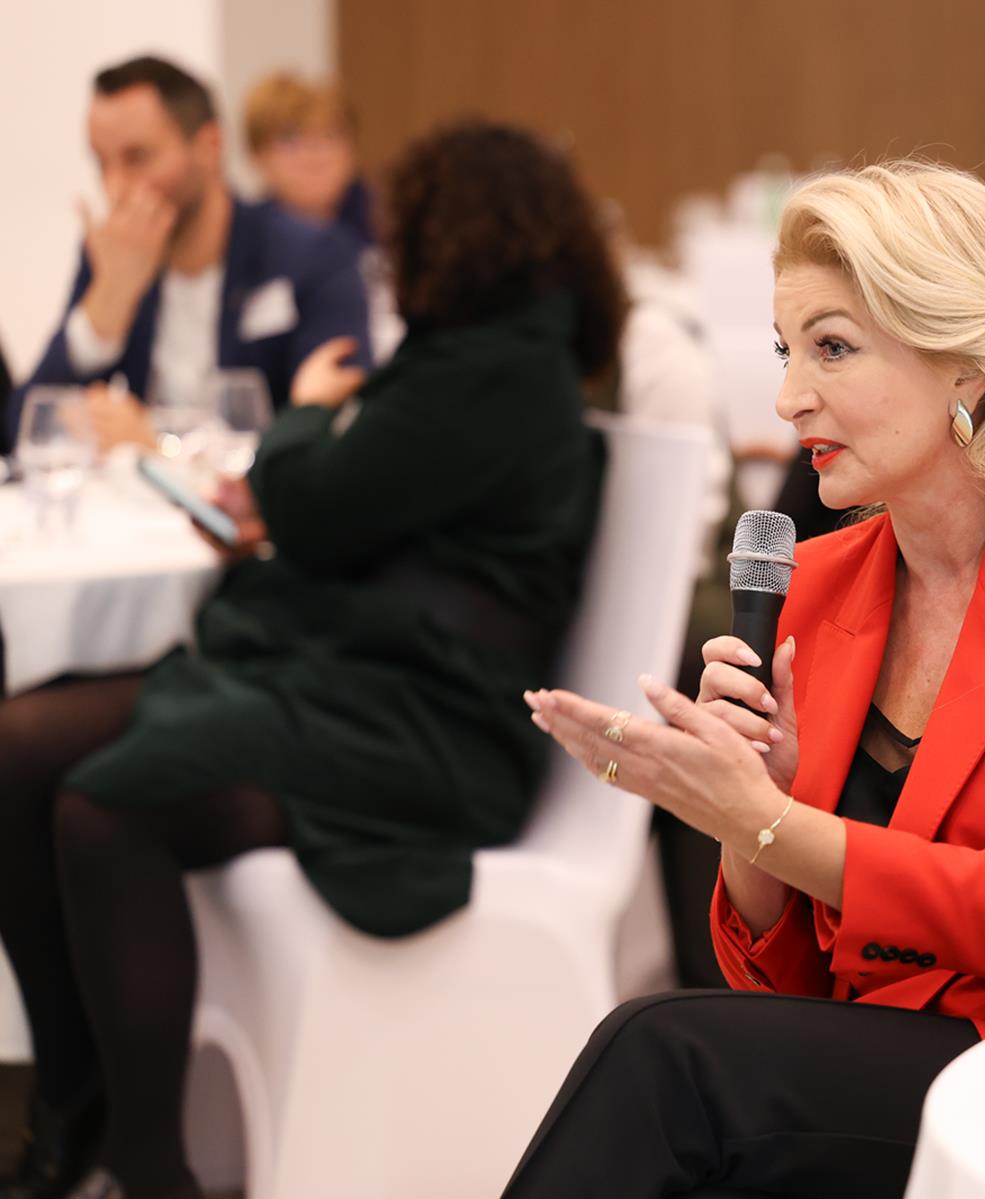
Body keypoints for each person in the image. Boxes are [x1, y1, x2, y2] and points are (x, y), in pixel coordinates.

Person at [503, 161, 985, 1197]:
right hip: (917, 1059)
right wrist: (748, 810)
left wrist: (769, 822)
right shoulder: (818, 585)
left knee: (666, 1056)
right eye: (787, 351)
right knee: (681, 1071)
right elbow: (788, 983)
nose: (788, 398)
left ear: (966, 365)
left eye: (833, 348)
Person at [0, 120, 623, 1199]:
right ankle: (75, 1100)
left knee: (108, 804)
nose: (391, 252)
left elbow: (312, 503)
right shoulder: (482, 359)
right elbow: (339, 505)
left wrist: (302, 419)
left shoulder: (494, 371)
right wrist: (318, 444)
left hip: (428, 727)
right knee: (17, 751)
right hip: (352, 678)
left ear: (457, 234)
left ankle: (147, 1162)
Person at [5, 56, 370, 453]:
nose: (115, 187)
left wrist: (163, 449)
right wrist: (106, 305)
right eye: (102, 163)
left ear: (209, 146)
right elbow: (25, 429)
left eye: (137, 158)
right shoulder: (114, 251)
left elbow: (340, 432)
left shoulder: (311, 252)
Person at [242, 72, 374, 246]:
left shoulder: (388, 223)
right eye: (290, 138)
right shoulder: (243, 239)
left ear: (352, 151)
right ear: (258, 155)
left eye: (329, 135)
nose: (313, 152)